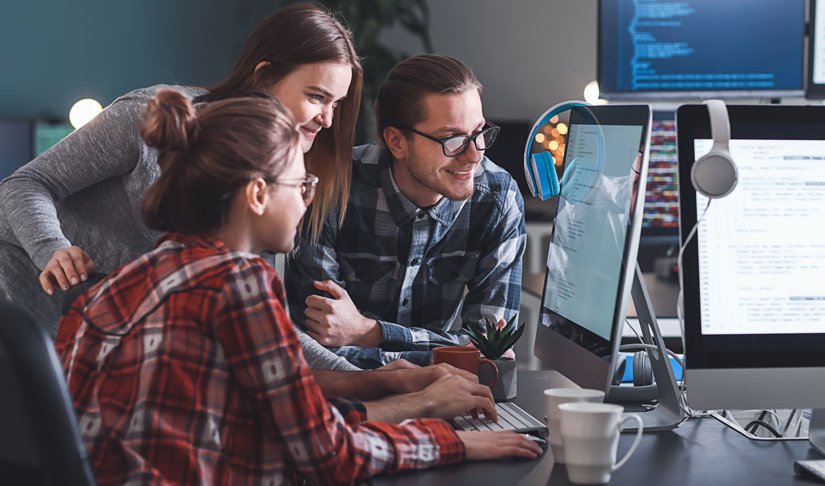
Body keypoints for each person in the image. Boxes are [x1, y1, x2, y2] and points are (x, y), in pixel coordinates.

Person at [55, 91, 540, 485]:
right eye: (301, 185)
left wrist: (385, 380)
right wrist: (446, 437)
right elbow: (328, 454)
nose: (310, 201)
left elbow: (282, 401)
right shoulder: (238, 284)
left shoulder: (130, 278)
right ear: (259, 194)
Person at [0, 4, 357, 368]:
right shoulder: (147, 117)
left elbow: (263, 329)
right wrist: (52, 249)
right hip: (19, 313)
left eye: (337, 104)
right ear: (264, 76)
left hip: (92, 351)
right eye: (316, 97)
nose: (328, 119)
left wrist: (361, 375)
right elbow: (24, 183)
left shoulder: (265, 181)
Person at [287, 55, 526, 367]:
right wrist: (446, 355)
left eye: (479, 133)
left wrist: (370, 333)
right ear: (397, 142)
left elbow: (492, 349)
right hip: (348, 395)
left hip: (445, 395)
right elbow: (319, 349)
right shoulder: (332, 189)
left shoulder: (498, 199)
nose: (473, 155)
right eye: (452, 140)